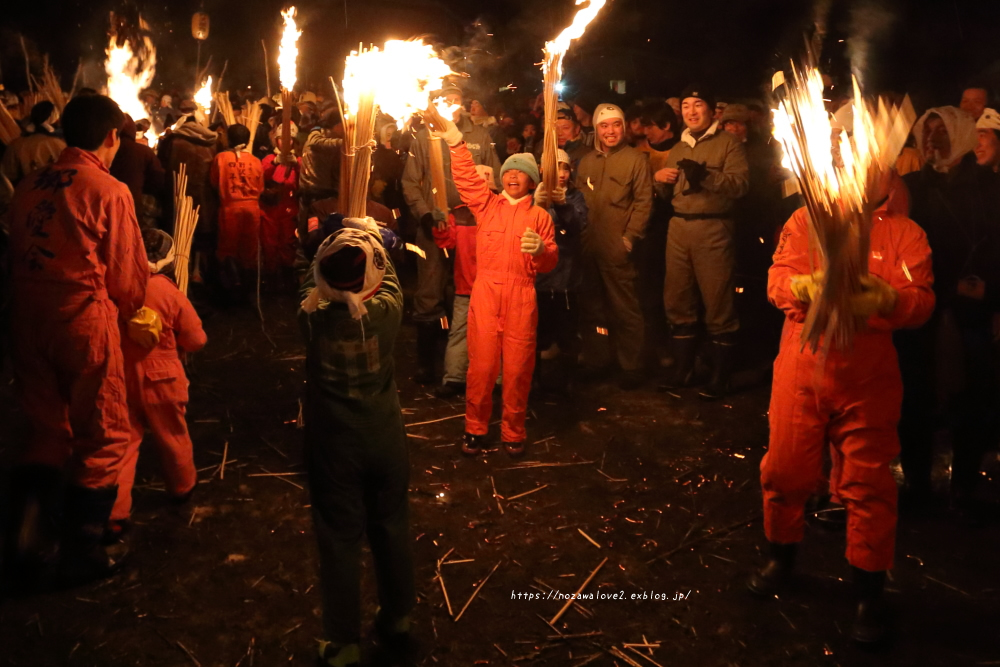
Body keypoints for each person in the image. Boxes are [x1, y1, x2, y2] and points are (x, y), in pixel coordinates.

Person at [750, 171, 935, 644]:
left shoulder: (905, 232)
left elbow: (922, 300)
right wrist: (801, 289)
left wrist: (891, 299)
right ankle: (781, 556)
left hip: (868, 375)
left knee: (869, 483)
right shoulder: (804, 220)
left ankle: (868, 593)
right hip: (802, 365)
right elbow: (777, 279)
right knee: (786, 469)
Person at [3, 95, 148, 588]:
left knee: (46, 426)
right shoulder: (108, 190)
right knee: (103, 429)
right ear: (111, 136)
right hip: (80, 319)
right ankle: (83, 547)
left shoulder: (27, 185)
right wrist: (131, 315)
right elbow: (128, 281)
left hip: (25, 317)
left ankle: (26, 534)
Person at [298, 222, 415, 667]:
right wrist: (371, 235)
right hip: (384, 437)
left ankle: (343, 641)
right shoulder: (385, 311)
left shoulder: (310, 314)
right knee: (392, 524)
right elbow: (392, 277)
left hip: (335, 446)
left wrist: (334, 238)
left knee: (339, 538)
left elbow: (310, 275)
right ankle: (398, 616)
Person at [427, 111, 557, 456]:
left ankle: (514, 432)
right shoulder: (487, 206)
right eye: (509, 171)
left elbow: (550, 260)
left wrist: (542, 250)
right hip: (485, 294)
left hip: (521, 296)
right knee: (482, 368)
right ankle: (475, 429)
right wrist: (455, 140)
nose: (514, 176)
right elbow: (468, 178)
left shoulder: (540, 216)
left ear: (531, 181)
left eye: (522, 173)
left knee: (516, 370)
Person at [401, 81, 502, 385]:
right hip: (437, 226)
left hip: (472, 226)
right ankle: (426, 363)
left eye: (456, 99)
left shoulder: (480, 136)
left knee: (468, 290)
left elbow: (494, 178)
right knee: (430, 290)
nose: (452, 105)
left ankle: (463, 359)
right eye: (446, 99)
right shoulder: (423, 137)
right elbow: (410, 182)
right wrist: (427, 215)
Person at [110, 229, 206, 538]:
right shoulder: (168, 291)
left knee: (123, 440)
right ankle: (182, 488)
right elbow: (195, 339)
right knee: (172, 434)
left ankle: (115, 511)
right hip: (162, 377)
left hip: (121, 375)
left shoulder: (116, 289)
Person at [657, 86, 749, 400]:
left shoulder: (728, 144)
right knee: (677, 299)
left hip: (713, 226)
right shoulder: (678, 147)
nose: (692, 111)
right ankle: (684, 370)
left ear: (711, 110)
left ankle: (720, 375)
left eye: (698, 105)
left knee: (718, 301)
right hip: (679, 227)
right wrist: (662, 183)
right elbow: (669, 194)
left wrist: (706, 177)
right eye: (686, 105)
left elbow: (740, 184)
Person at [576, 103, 655, 389]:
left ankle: (631, 365)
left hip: (616, 244)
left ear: (623, 127)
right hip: (589, 245)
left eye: (616, 124)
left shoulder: (635, 160)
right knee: (593, 307)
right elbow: (578, 201)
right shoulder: (587, 161)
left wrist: (629, 237)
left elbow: (644, 203)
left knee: (625, 307)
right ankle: (598, 360)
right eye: (604, 125)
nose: (610, 131)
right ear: (596, 130)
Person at [533, 149, 588, 393]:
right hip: (539, 279)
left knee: (567, 331)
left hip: (566, 278)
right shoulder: (533, 195)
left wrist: (562, 205)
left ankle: (568, 381)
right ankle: (533, 381)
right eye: (556, 170)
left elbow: (578, 224)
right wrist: (536, 204)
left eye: (565, 169)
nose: (562, 175)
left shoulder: (575, 197)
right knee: (536, 333)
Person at [211, 124, 264, 288]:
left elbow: (214, 182)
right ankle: (248, 287)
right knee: (249, 247)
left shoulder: (220, 158)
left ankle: (232, 286)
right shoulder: (255, 160)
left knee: (227, 247)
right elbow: (260, 186)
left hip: (230, 208)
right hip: (252, 209)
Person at [110, 114, 165, 231]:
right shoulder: (143, 151)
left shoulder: (103, 149)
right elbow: (158, 181)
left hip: (105, 212)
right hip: (134, 207)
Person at [261, 122, 301, 280]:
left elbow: (304, 181)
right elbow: (261, 175)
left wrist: (297, 164)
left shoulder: (298, 160)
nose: (285, 142)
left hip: (289, 208)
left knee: (287, 242)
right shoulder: (269, 159)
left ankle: (286, 276)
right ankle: (271, 276)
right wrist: (275, 162)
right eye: (281, 139)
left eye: (289, 139)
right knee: (269, 243)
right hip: (270, 208)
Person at [1, 101, 66, 186]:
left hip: (24, 195)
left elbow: (7, 177)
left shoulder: (17, 144)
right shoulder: (62, 144)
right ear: (54, 118)